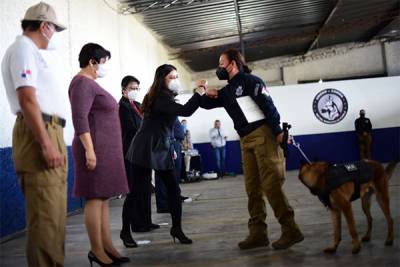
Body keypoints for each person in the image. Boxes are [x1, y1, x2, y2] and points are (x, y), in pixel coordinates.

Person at [198, 48, 304, 250]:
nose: (219, 67)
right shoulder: (228, 91)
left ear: (233, 63)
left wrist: (278, 131)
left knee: (271, 185)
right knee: (252, 189)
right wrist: (202, 89)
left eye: (222, 63)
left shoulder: (251, 81)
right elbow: (206, 104)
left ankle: (291, 230)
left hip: (263, 135)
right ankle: (258, 234)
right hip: (245, 139)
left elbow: (268, 105)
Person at [1, 2, 68, 266]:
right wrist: (46, 144)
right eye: (54, 29)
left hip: (50, 131)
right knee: (45, 223)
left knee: (55, 219)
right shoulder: (22, 49)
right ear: (44, 25)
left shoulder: (31, 52)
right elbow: (27, 99)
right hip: (40, 132)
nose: (54, 35)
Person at [125, 64, 205, 244]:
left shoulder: (165, 97)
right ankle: (125, 232)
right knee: (137, 191)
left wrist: (170, 147)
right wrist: (199, 92)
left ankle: (176, 228)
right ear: (162, 79)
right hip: (145, 147)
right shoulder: (160, 98)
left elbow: (166, 126)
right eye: (171, 77)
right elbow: (186, 111)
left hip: (161, 146)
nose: (175, 81)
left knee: (174, 190)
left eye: (177, 77)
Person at [69, 43, 129, 266]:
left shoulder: (91, 84)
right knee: (94, 198)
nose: (105, 66)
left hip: (105, 150)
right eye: (103, 62)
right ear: (92, 62)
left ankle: (108, 246)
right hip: (93, 149)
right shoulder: (82, 83)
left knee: (103, 198)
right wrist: (90, 150)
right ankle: (96, 250)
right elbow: (80, 118)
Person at [118, 75, 143, 247]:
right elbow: (132, 128)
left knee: (140, 192)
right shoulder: (122, 107)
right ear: (124, 90)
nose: (135, 91)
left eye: (137, 88)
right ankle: (125, 231)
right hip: (129, 154)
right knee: (132, 193)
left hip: (141, 153)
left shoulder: (137, 106)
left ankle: (138, 223)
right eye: (132, 88)